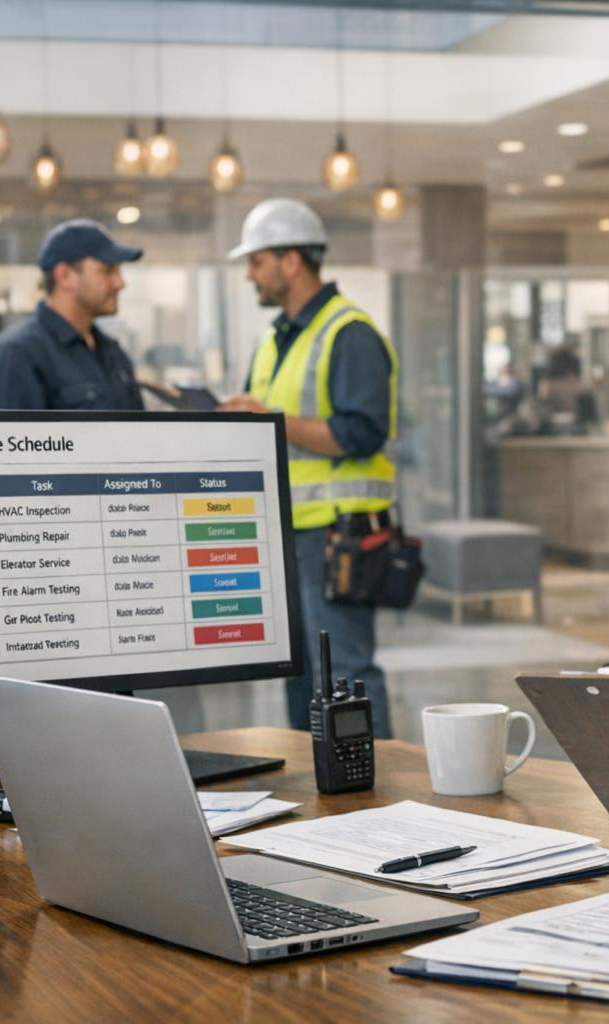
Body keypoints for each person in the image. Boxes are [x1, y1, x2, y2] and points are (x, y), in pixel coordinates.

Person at [219, 198, 398, 738]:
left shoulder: (351, 334)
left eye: (256, 261)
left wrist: (270, 418)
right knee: (298, 674)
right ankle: (319, 786)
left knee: (345, 671)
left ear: (290, 261)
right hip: (287, 534)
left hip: (336, 537)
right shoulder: (277, 339)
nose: (251, 274)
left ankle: (381, 788)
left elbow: (362, 432)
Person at [0, 219, 144, 410]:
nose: (120, 283)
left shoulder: (111, 352)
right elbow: (8, 439)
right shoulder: (18, 353)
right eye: (107, 271)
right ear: (64, 276)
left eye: (118, 272)